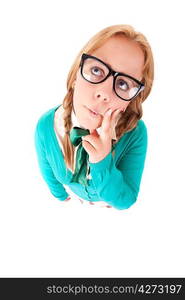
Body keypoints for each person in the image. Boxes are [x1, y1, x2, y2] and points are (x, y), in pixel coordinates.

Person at [34, 24, 154, 210]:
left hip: (107, 207)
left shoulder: (136, 133)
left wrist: (103, 162)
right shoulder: (46, 126)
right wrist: (60, 197)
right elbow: (48, 171)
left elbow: (126, 200)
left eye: (123, 84)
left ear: (129, 102)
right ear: (76, 74)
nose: (104, 93)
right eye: (97, 70)